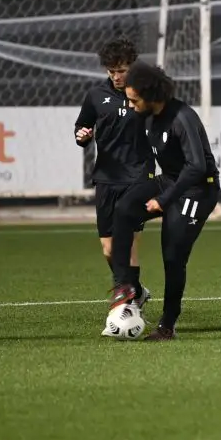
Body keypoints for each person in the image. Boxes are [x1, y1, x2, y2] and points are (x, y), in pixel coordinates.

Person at [108, 61, 220, 341]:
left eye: (134, 100)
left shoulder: (182, 117)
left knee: (173, 257)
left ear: (150, 96)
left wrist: (163, 199)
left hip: (197, 190)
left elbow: (197, 167)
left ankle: (167, 326)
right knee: (123, 208)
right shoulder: (147, 116)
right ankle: (125, 286)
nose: (131, 105)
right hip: (170, 181)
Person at [74, 36, 150, 310]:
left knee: (126, 244)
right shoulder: (96, 96)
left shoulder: (145, 94)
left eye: (122, 70)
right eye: (112, 71)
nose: (117, 76)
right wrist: (82, 135)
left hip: (138, 178)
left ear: (132, 67)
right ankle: (136, 291)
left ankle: (127, 306)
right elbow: (81, 126)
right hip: (107, 177)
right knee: (109, 249)